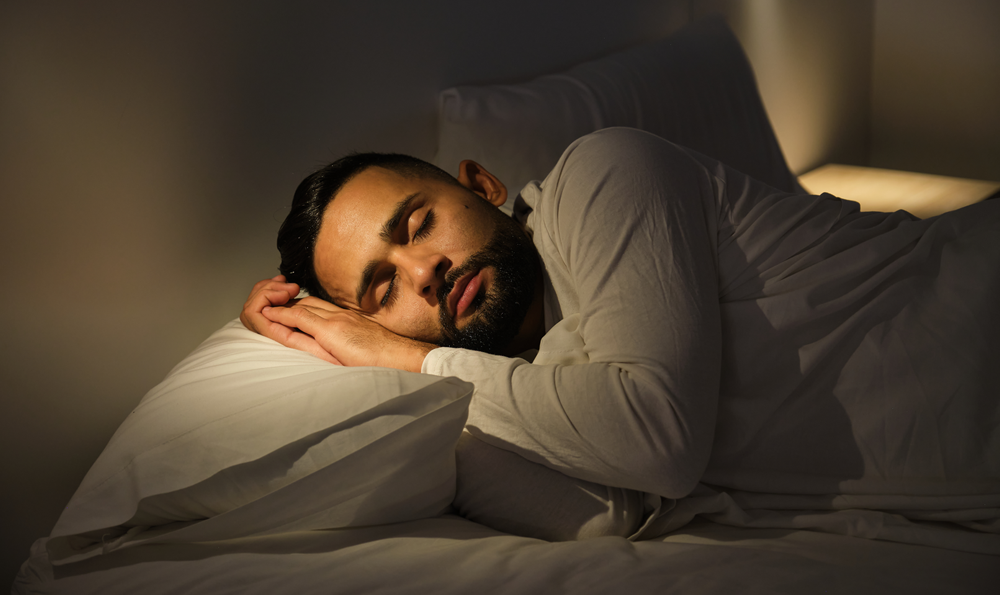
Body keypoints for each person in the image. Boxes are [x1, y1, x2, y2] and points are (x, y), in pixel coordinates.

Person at [242, 128, 1000, 522]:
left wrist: (407, 360)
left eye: (419, 224)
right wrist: (368, 366)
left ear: (482, 184)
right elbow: (616, 515)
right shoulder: (535, 392)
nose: (423, 271)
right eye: (382, 289)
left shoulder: (603, 176)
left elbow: (658, 440)